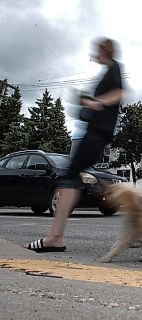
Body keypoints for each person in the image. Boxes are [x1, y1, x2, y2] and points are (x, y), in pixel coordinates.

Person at [24, 37, 123, 253]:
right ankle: (138, 224)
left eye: (96, 50)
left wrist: (98, 102)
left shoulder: (113, 68)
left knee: (68, 179)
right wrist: (87, 103)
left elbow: (118, 94)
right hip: (95, 134)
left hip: (96, 135)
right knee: (74, 180)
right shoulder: (107, 72)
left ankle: (54, 238)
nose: (94, 54)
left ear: (103, 51)